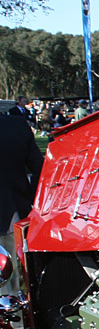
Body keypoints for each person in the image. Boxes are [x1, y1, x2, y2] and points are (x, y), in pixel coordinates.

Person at [0, 114, 44, 293]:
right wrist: (30, 199)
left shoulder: (16, 124)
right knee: (20, 281)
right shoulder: (16, 124)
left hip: (15, 213)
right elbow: (39, 167)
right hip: (18, 210)